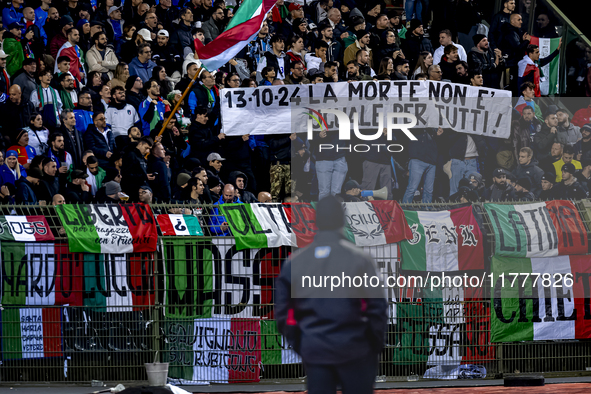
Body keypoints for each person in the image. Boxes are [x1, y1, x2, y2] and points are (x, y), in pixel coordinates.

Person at [275, 195, 388, 394]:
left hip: (315, 348)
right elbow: (377, 307)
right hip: (356, 348)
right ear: (342, 220)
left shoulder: (295, 262)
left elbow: (283, 314)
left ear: (316, 221)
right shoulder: (360, 260)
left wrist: (303, 344)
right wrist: (373, 345)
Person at [121, 136, 154, 201]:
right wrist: (144, 177)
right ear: (140, 144)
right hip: (132, 192)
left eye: (149, 149)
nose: (148, 151)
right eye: (146, 148)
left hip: (141, 189)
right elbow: (126, 175)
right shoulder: (130, 155)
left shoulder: (142, 157)